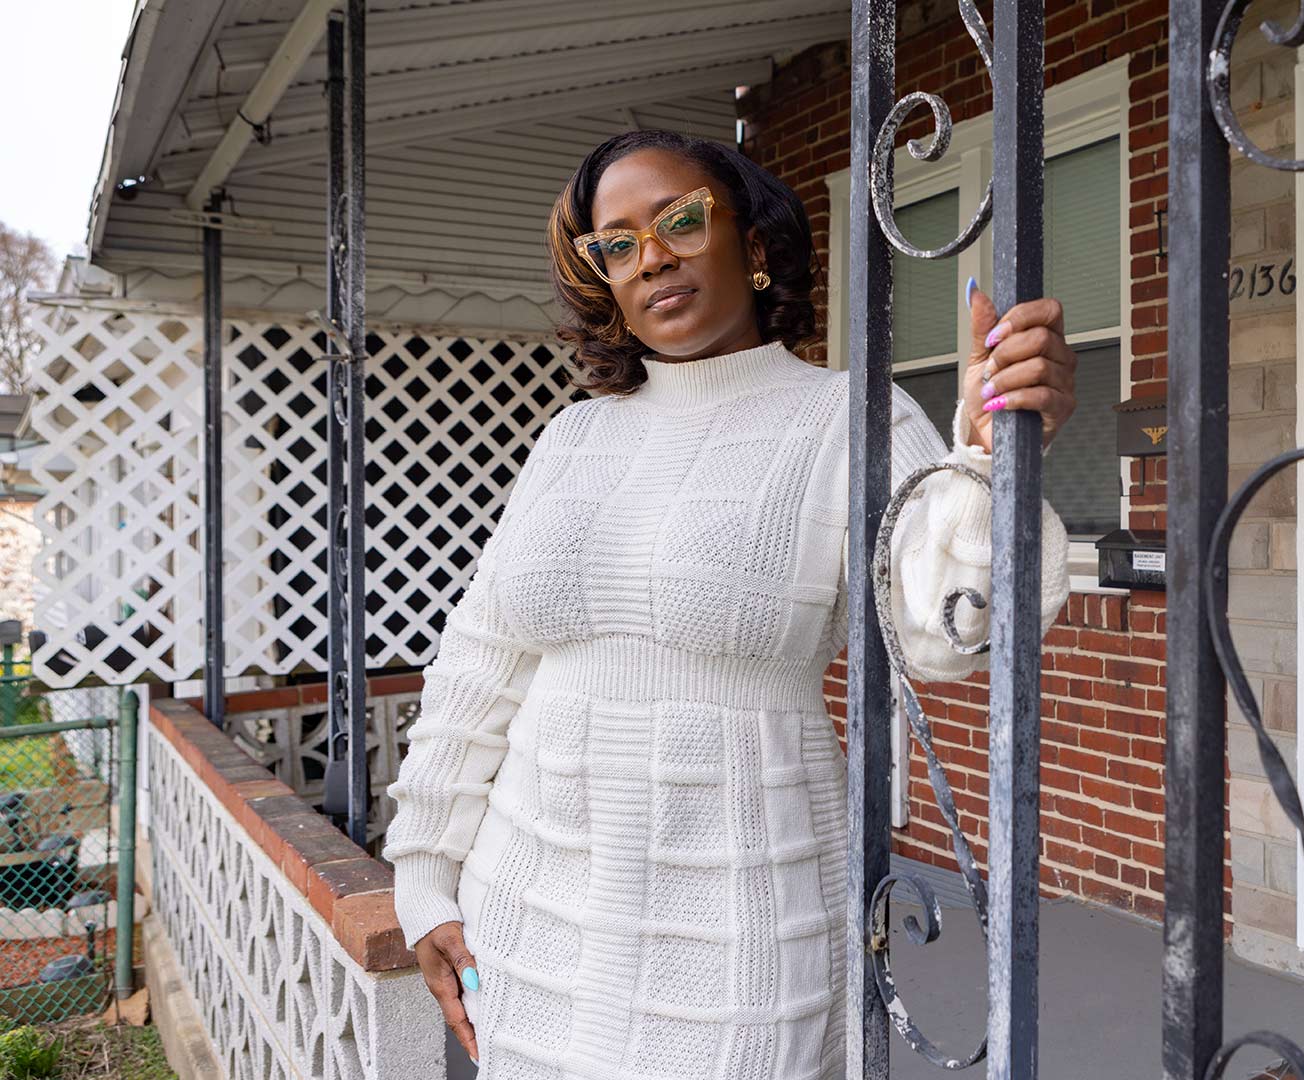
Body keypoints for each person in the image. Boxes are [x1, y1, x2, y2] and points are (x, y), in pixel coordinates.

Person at [382, 127, 1078, 1079]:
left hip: (742, 916)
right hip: (529, 910)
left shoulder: (851, 419)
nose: (652, 256)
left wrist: (992, 455)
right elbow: (481, 662)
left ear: (752, 246)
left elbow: (948, 630)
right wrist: (423, 874)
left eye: (679, 221)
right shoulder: (572, 440)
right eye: (617, 244)